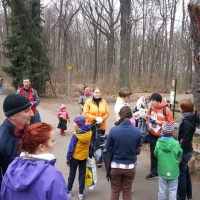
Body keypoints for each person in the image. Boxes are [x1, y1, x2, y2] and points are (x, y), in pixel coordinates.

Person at [0, 122, 69, 200]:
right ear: (41, 147)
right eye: (52, 141)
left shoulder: (12, 168)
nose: (54, 143)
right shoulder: (53, 175)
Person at [105, 106, 141, 200]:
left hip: (115, 166)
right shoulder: (137, 131)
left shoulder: (113, 130)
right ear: (131, 116)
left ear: (120, 115)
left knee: (115, 192)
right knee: (127, 192)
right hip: (130, 167)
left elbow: (106, 147)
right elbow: (137, 149)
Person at [0, 94, 34, 189]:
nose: (32, 114)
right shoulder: (2, 142)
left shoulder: (25, 130)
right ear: (12, 116)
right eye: (27, 111)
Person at [146, 92, 174, 180]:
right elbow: (147, 118)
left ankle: (165, 171)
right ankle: (154, 172)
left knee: (163, 154)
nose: (152, 102)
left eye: (153, 101)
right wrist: (148, 124)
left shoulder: (166, 110)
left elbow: (171, 123)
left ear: (159, 101)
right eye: (151, 100)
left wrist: (159, 122)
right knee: (153, 154)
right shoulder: (150, 109)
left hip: (163, 136)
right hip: (152, 134)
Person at [177, 99, 200, 200]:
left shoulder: (186, 121)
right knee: (183, 172)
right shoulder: (188, 118)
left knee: (181, 174)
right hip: (186, 149)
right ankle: (185, 193)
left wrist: (179, 150)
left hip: (184, 150)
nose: (178, 108)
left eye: (180, 106)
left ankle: (181, 196)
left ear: (184, 108)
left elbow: (185, 139)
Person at [66, 115, 92, 200]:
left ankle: (68, 190)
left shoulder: (76, 135)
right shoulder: (88, 132)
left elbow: (71, 147)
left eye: (74, 122)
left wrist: (68, 157)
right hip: (84, 157)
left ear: (77, 124)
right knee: (82, 175)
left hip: (75, 157)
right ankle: (81, 192)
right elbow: (90, 145)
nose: (73, 124)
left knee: (72, 174)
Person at [154, 122, 183, 200]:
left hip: (162, 169)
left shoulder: (158, 143)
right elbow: (180, 154)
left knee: (161, 190)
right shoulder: (176, 144)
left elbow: (156, 154)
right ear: (172, 133)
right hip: (173, 170)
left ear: (162, 132)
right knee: (173, 190)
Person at [83, 87, 110, 167]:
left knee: (100, 143)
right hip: (91, 126)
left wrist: (102, 118)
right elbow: (86, 113)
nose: (98, 94)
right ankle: (89, 157)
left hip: (101, 126)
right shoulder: (88, 102)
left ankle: (99, 160)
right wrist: (95, 118)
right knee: (91, 143)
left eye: (99, 92)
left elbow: (107, 113)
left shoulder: (103, 102)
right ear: (93, 93)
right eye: (96, 92)